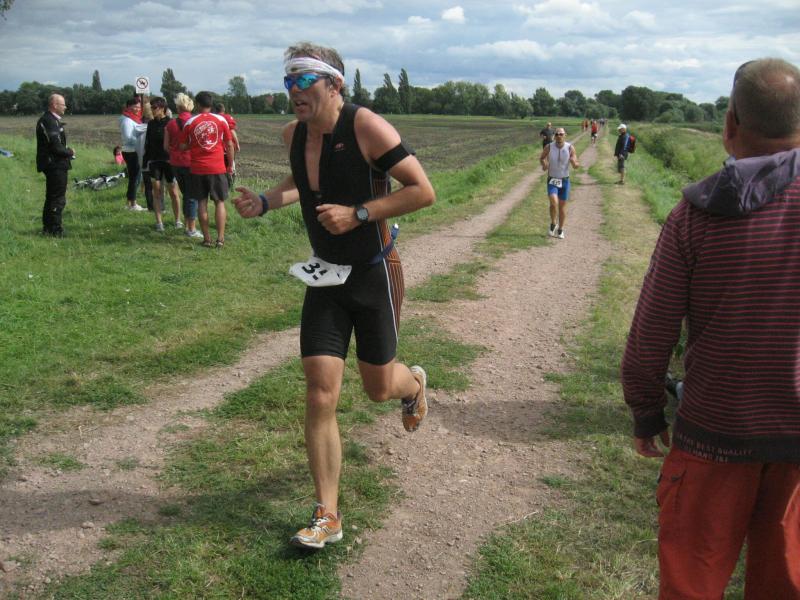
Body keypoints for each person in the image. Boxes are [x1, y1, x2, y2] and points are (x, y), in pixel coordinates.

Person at [233, 42, 435, 550]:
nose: (294, 90)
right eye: (289, 80)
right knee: (320, 392)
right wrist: (265, 201)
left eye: (304, 80)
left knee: (377, 388)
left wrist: (359, 213)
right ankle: (328, 513)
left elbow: (421, 190)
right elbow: (303, 182)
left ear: (334, 84)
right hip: (325, 277)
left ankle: (412, 385)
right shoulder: (294, 134)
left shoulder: (366, 127)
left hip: (373, 271)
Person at [620, 58, 800, 599]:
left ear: (729, 123)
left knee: (690, 585)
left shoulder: (695, 215)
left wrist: (646, 410)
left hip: (713, 433)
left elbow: (652, 331)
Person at [179, 91, 234, 247]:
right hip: (217, 167)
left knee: (201, 203)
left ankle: (207, 239)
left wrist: (194, 144)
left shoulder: (190, 122)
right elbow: (229, 144)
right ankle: (221, 238)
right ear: (211, 103)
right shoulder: (221, 120)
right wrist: (230, 164)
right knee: (219, 202)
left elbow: (182, 146)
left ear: (197, 104)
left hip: (198, 168)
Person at [36, 93, 74, 237]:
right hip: (55, 164)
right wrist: (70, 152)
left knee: (51, 197)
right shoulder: (49, 121)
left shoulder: (50, 119)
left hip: (53, 163)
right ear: (54, 105)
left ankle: (47, 228)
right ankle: (56, 230)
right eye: (63, 104)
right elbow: (56, 146)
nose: (65, 107)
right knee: (58, 198)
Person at [165, 92, 202, 238]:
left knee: (186, 193)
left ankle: (187, 225)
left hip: (175, 163)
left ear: (178, 107)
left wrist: (175, 152)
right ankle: (191, 229)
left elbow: (166, 146)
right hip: (191, 162)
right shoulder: (194, 122)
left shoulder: (170, 124)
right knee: (192, 195)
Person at [143, 96, 180, 231]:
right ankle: (159, 223)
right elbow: (147, 144)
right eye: (151, 108)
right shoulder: (151, 124)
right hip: (154, 161)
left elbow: (176, 143)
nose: (152, 110)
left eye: (154, 107)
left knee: (173, 192)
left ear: (162, 108)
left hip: (169, 161)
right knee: (157, 192)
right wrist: (145, 162)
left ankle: (178, 221)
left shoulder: (171, 123)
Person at [539, 127, 579, 239]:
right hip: (552, 180)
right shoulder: (549, 147)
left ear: (565, 135)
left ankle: (560, 229)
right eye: (557, 134)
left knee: (562, 207)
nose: (559, 136)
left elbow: (576, 163)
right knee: (553, 202)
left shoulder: (570, 147)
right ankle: (553, 223)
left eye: (561, 134)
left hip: (564, 180)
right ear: (554, 136)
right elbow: (542, 158)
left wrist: (574, 163)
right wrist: (544, 164)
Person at [119, 97, 148, 211]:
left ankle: (129, 203)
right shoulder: (127, 120)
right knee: (135, 178)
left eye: (139, 107)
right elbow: (128, 138)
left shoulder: (133, 118)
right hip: (131, 151)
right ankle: (133, 204)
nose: (137, 109)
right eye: (135, 107)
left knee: (134, 178)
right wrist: (141, 142)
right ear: (128, 107)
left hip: (134, 151)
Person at [212, 101, 240, 186]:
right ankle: (231, 185)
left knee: (219, 167)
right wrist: (237, 144)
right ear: (223, 110)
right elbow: (231, 131)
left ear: (215, 110)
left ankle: (220, 184)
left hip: (217, 147)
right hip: (228, 146)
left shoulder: (213, 118)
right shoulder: (227, 118)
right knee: (230, 165)